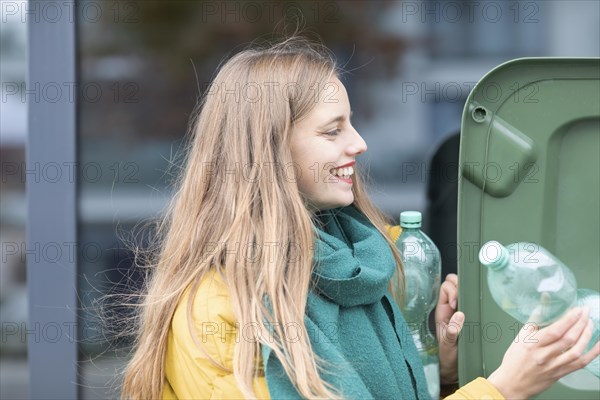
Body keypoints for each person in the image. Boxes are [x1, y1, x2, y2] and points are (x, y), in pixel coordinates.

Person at [120, 35, 599, 399]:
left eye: (351, 123)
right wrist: (502, 389)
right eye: (332, 131)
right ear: (267, 152)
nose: (359, 144)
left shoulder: (357, 265)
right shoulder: (221, 311)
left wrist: (437, 368)